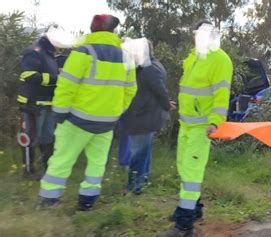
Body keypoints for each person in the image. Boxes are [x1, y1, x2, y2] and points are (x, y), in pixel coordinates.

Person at [38, 14, 137, 211]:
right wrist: (116, 111)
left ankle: (49, 201)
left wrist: (60, 112)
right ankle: (87, 202)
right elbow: (130, 90)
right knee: (97, 164)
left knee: (62, 160)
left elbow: (67, 86)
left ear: (93, 30)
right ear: (113, 32)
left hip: (77, 119)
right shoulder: (126, 57)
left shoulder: (83, 52)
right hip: (107, 123)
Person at [164, 20, 233, 237]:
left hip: (202, 127)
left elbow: (221, 96)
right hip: (186, 124)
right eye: (198, 33)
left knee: (191, 173)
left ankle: (184, 226)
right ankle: (193, 209)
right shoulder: (193, 56)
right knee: (184, 168)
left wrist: (215, 121)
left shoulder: (220, 59)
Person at [120, 38, 175, 195]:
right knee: (144, 151)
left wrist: (166, 104)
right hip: (148, 115)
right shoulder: (152, 65)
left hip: (144, 116)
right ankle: (142, 180)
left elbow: (159, 90)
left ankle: (134, 187)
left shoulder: (148, 68)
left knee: (137, 153)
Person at [17, 26, 62, 176]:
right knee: (31, 137)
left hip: (48, 103)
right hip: (33, 104)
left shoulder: (50, 55)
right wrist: (56, 79)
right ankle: (28, 170)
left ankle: (47, 168)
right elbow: (29, 75)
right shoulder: (34, 52)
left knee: (47, 137)